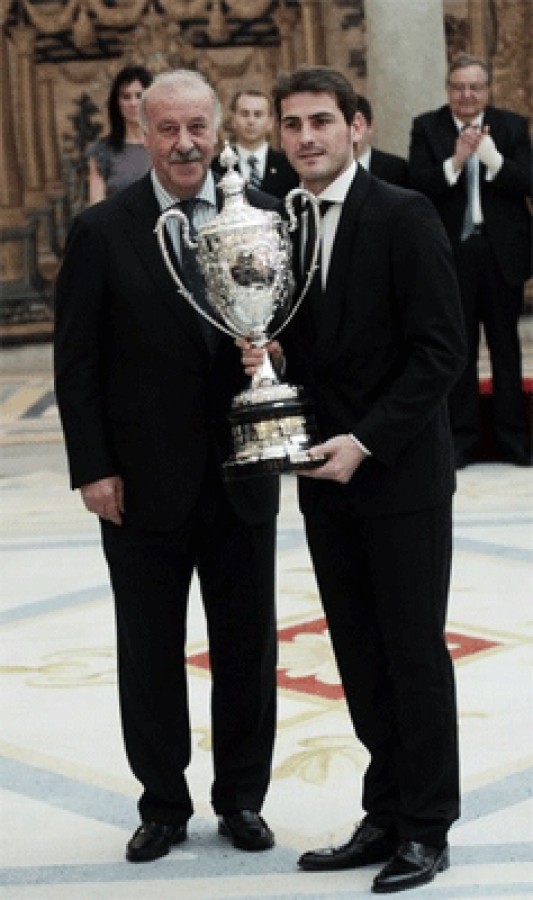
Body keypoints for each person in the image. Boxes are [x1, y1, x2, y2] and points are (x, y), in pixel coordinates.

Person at [241, 66, 466, 893]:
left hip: (397, 476)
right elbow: (319, 345)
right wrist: (271, 357)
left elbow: (441, 350)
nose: (305, 137)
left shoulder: (402, 214)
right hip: (323, 479)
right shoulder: (284, 224)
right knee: (359, 657)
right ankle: (385, 811)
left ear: (356, 127)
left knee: (411, 656)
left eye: (321, 121)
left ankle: (427, 827)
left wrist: (365, 441)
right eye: (292, 124)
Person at [54, 69, 280, 864]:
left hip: (242, 475)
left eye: (196, 127)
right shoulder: (101, 230)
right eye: (168, 129)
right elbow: (77, 363)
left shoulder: (262, 217)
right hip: (141, 483)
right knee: (148, 651)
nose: (184, 144)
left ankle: (242, 798)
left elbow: (292, 330)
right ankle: (161, 804)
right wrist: (93, 469)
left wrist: (276, 358)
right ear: (143, 134)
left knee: (247, 647)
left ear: (217, 130)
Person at [409, 53, 531, 468]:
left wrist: (493, 160)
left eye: (474, 87)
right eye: (458, 87)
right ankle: (461, 439)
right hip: (450, 255)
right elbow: (418, 188)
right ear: (448, 90)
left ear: (488, 90)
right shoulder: (428, 128)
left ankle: (514, 438)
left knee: (505, 347)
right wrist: (457, 161)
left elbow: (527, 182)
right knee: (457, 350)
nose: (466, 95)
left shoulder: (512, 126)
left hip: (499, 255)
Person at [212, 88, 298, 198]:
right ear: (233, 119)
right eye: (244, 114)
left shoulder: (289, 166)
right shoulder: (217, 166)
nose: (251, 121)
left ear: (270, 122)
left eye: (258, 115)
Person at [87, 65, 153, 204]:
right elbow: (96, 206)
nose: (133, 103)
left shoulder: (164, 145)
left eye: (139, 96)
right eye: (126, 97)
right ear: (117, 103)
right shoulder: (102, 151)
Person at [354, 96, 409, 186]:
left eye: (356, 127)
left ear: (370, 127)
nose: (351, 134)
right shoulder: (330, 168)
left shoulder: (397, 169)